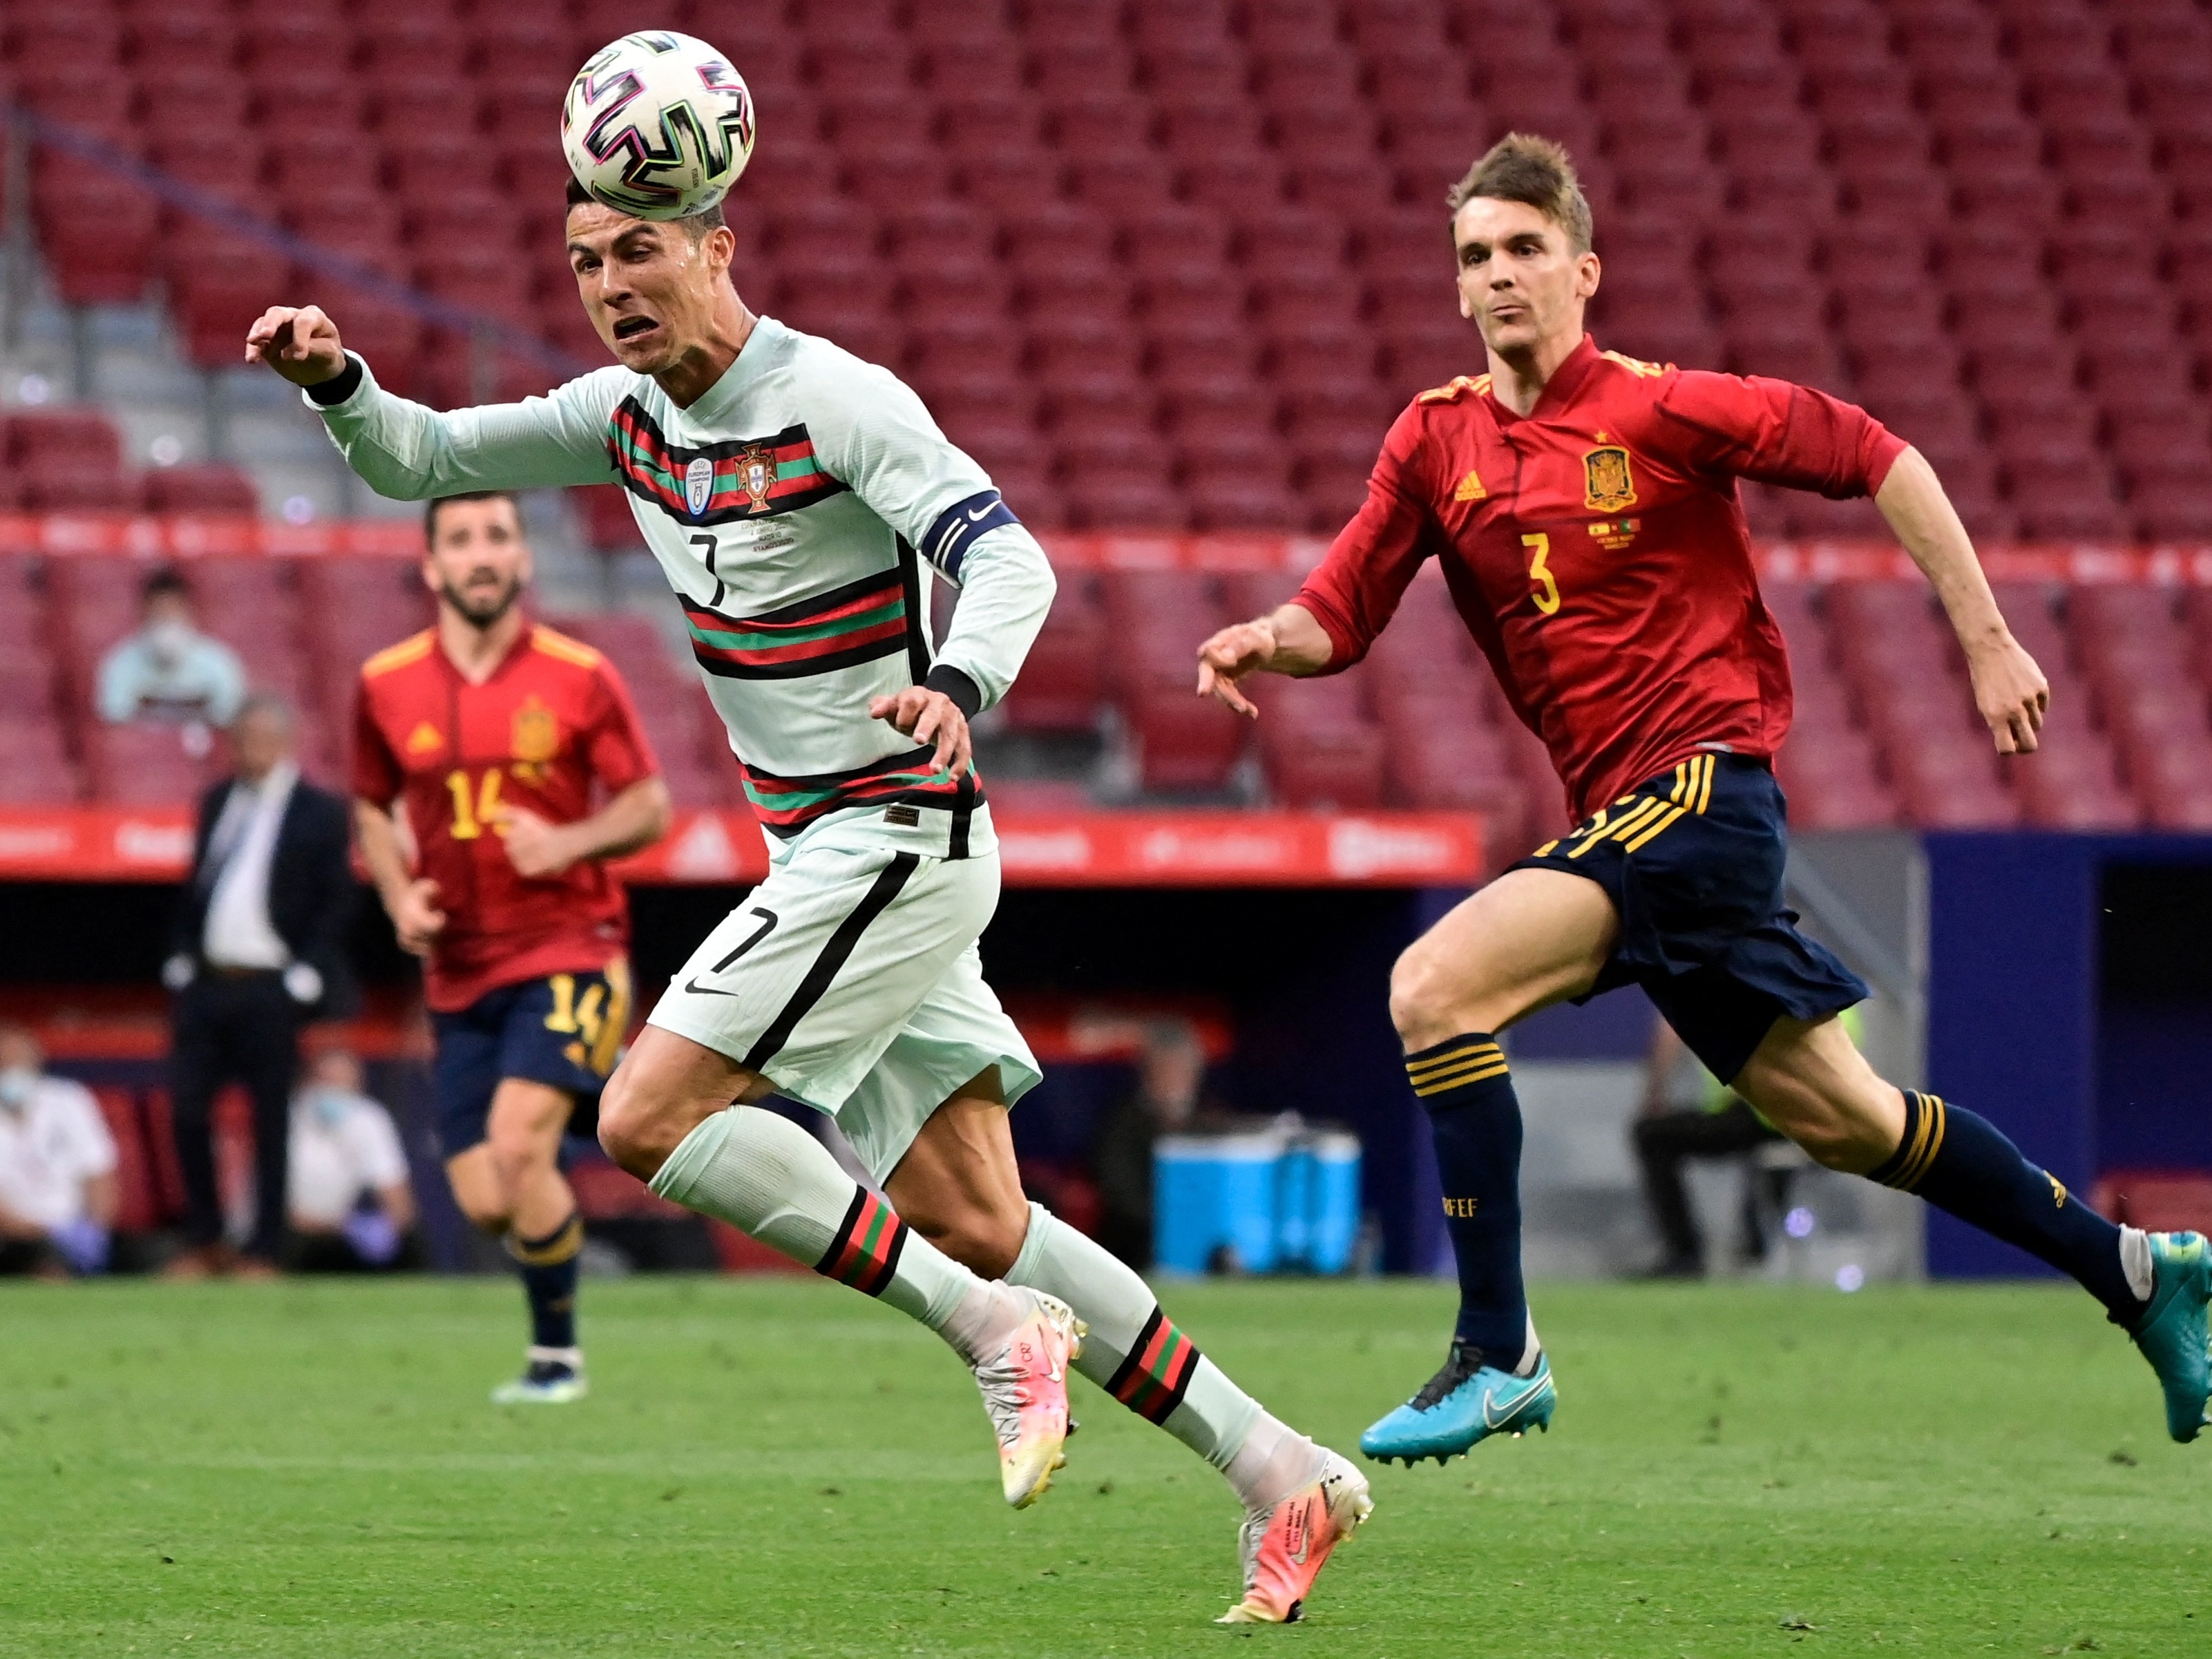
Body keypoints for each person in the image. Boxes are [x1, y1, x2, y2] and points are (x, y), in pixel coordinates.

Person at [243, 167, 1369, 1623]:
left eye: (637, 250)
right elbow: (420, 456)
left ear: (717, 246)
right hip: (833, 850)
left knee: (646, 1113)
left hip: (892, 827)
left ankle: (986, 1337)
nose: (606, 283)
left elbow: (1005, 558)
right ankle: (1276, 1466)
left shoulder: (834, 397)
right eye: (583, 259)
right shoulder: (625, 419)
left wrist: (959, 682)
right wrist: (336, 378)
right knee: (976, 1210)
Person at [1196, 134, 2210, 1466]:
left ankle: (1497, 1348)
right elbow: (1343, 608)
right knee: (1849, 1121)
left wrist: (1983, 636)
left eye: (1523, 251)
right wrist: (1269, 637)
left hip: (1701, 792)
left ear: (1582, 270)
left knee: (1434, 989)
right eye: (1475, 258)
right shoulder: (1433, 440)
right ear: (1456, 289)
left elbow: (1878, 454)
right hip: (1639, 817)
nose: (1499, 277)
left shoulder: (1662, 412)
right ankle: (2136, 1269)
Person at [350, 489, 671, 1403]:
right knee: (489, 1195)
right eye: (461, 540)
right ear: (433, 566)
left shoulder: (580, 675)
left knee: (517, 1146)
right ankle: (578, 1206)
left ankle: (556, 1359)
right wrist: (394, 886)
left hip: (571, 946)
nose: (482, 554)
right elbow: (371, 803)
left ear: (524, 559)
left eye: (498, 536)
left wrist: (566, 843)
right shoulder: (384, 683)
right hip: (457, 972)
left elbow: (648, 804)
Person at [163, 691, 354, 1278]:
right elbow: (200, 885)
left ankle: (265, 1248)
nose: (249, 752)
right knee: (188, 1107)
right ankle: (207, 1239)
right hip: (209, 982)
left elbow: (338, 901)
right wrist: (182, 955)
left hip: (273, 986)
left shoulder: (320, 811)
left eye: (259, 740)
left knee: (271, 1117)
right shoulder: (219, 801)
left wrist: (307, 970)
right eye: (240, 741)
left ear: (285, 741)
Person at [1630, 1017, 1791, 1278]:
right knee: (1776, 1162)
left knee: (1652, 1137)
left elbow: (1670, 1031)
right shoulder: (1832, 999)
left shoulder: (1720, 982)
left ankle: (1686, 1255)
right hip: (1802, 1121)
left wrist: (1655, 1091)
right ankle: (1754, 1247)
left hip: (1754, 1112)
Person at [1090, 1020, 1226, 1271]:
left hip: (1203, 1247)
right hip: (1135, 1246)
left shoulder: (1210, 1123)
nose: (1175, 1079)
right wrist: (1170, 1223)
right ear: (1147, 1071)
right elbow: (1119, 1194)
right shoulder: (1122, 1124)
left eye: (1183, 1069)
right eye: (1167, 1068)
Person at [285, 1048, 421, 1273]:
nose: (337, 1094)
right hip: (290, 1233)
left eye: (348, 1086)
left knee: (407, 1247)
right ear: (307, 1082)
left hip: (338, 1236)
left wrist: (375, 1229)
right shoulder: (285, 1118)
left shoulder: (366, 1118)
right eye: (329, 1082)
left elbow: (399, 1203)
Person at [0, 1023, 118, 1278]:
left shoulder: (69, 1100)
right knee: (48, 1264)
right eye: (3, 1065)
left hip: (74, 1230)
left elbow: (99, 1173)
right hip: (15, 1238)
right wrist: (47, 1234)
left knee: (161, 1257)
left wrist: (95, 1229)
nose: (10, 1073)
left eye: (18, 1063)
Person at [96, 566, 246, 728]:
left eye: (173, 610)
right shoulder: (120, 663)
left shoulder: (218, 661)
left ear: (189, 611)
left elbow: (230, 714)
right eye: (159, 612)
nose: (166, 619)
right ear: (143, 613)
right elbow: (114, 717)